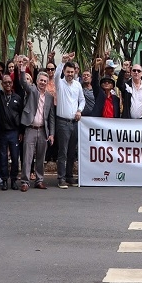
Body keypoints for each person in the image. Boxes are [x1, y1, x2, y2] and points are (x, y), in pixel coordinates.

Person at [18, 60, 55, 191]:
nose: (43, 82)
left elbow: (51, 117)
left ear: (47, 82)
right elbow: (23, 83)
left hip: (43, 130)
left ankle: (39, 180)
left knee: (41, 157)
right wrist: (23, 69)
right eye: (41, 80)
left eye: (45, 81)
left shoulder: (50, 97)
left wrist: (51, 134)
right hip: (30, 128)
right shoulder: (32, 90)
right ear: (37, 81)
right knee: (27, 157)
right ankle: (25, 181)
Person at [54, 58, 85, 189]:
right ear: (64, 71)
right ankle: (61, 178)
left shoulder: (77, 85)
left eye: (72, 72)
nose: (70, 74)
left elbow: (82, 100)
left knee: (72, 151)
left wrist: (79, 110)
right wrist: (62, 62)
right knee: (63, 151)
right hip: (62, 123)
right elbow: (56, 74)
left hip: (75, 122)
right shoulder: (59, 83)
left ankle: (69, 176)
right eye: (68, 72)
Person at [0, 70, 24, 190]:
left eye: (9, 82)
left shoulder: (17, 98)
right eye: (5, 83)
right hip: (3, 132)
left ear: (12, 83)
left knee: (15, 157)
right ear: (2, 84)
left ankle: (14, 180)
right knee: (3, 157)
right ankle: (4, 180)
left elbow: (21, 114)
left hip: (14, 132)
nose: (8, 84)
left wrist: (21, 132)